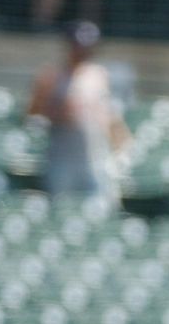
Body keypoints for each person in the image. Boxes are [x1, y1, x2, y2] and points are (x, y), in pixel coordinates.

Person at [27, 21, 130, 201]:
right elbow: (33, 113)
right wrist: (59, 113)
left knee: (100, 212)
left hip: (95, 157)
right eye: (78, 46)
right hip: (62, 158)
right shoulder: (52, 76)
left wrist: (120, 146)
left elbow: (111, 116)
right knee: (61, 210)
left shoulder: (100, 75)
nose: (82, 51)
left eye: (88, 47)